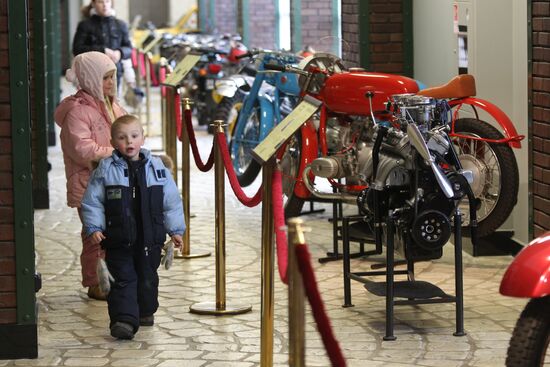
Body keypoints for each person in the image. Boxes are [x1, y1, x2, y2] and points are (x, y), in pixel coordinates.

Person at [80, 114, 185, 340]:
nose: (129, 142)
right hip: (119, 238)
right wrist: (94, 226)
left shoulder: (157, 169)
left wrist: (175, 230)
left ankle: (145, 311)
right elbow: (92, 201)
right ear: (112, 142)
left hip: (150, 239)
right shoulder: (106, 170)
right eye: (122, 137)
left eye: (134, 136)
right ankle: (124, 320)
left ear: (143, 138)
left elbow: (172, 202)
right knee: (123, 278)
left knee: (148, 276)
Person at [54, 51, 127, 300]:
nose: (110, 83)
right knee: (95, 235)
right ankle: (95, 282)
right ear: (89, 79)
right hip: (88, 186)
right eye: (105, 78)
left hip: (113, 182)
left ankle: (111, 276)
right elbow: (81, 149)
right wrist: (116, 152)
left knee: (113, 231)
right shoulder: (77, 111)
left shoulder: (113, 106)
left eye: (112, 77)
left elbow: (128, 129)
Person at [73, 0, 133, 88]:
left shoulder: (121, 25)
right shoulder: (84, 25)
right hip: (91, 75)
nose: (105, 5)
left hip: (115, 75)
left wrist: (120, 53)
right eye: (100, 2)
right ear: (93, 4)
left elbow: (129, 48)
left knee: (112, 101)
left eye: (107, 1)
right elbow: (77, 49)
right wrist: (102, 51)